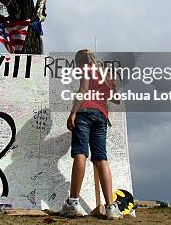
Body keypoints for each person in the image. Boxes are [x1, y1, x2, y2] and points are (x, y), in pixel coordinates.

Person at [60, 49, 123, 219]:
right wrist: (113, 87)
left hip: (85, 112)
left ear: (80, 61)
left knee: (80, 153)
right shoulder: (104, 74)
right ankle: (110, 207)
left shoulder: (85, 69)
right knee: (101, 158)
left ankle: (73, 203)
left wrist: (73, 112)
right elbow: (116, 99)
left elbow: (84, 89)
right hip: (101, 116)